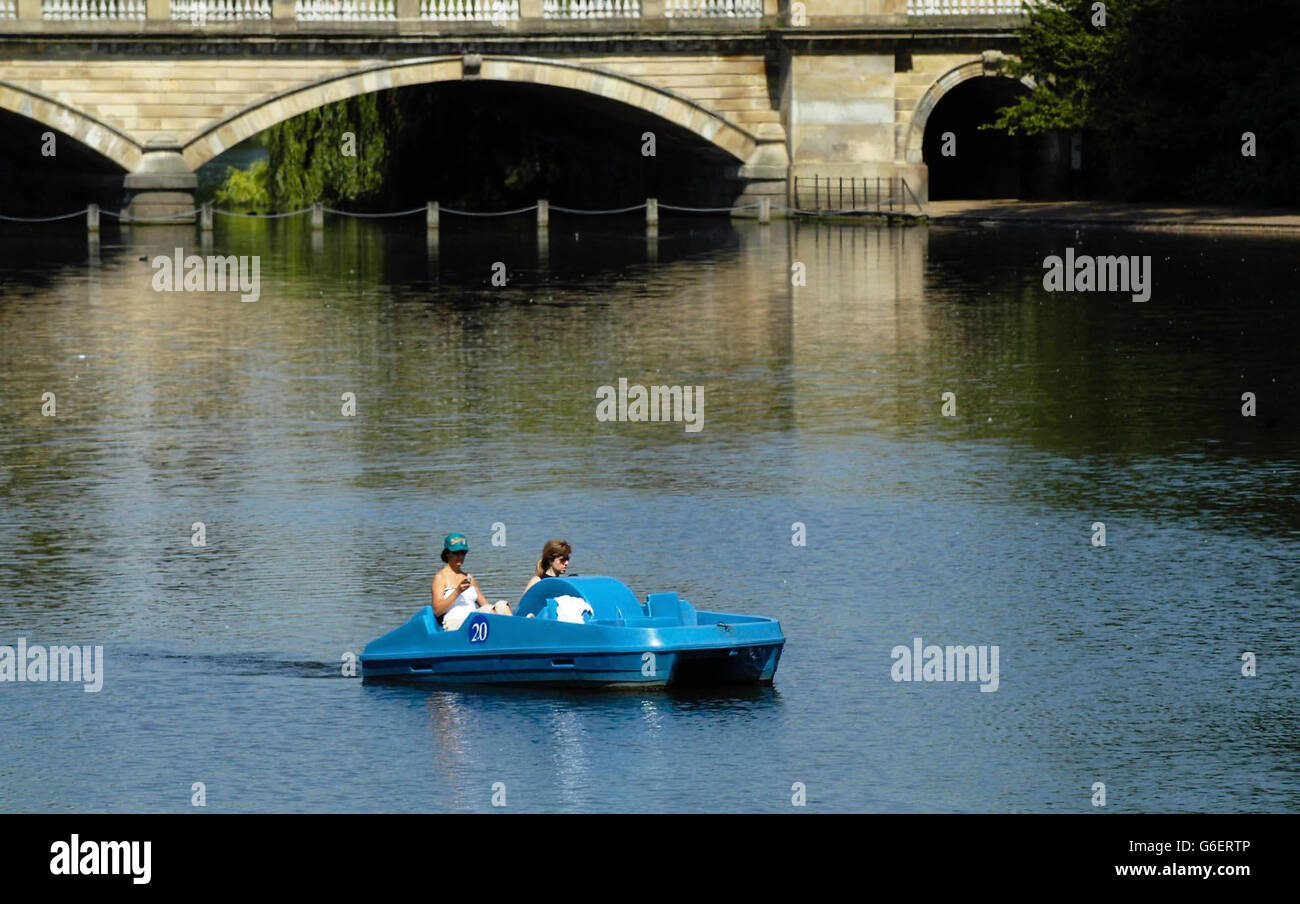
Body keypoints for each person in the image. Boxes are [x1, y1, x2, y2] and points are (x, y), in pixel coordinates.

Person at [433, 533, 511, 631]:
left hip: (475, 622)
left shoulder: (468, 577)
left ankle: (516, 628)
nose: (460, 556)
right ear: (447, 553)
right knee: (479, 619)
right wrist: (457, 592)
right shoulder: (440, 577)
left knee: (502, 605)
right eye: (456, 552)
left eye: (463, 552)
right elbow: (437, 611)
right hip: (455, 623)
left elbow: (486, 605)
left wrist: (498, 612)